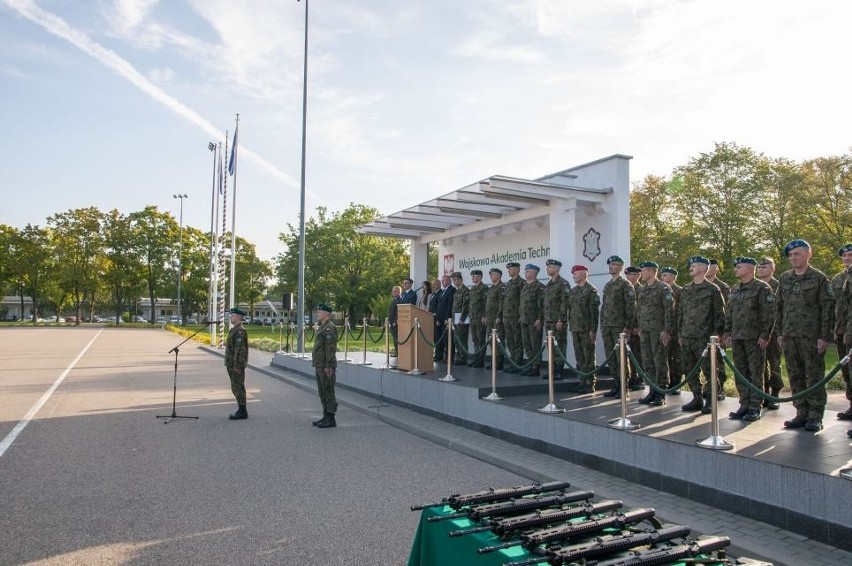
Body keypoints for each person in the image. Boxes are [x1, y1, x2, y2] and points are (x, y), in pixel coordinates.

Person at [775, 240, 834, 432]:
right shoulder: (785, 278)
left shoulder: (819, 278)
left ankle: (816, 415)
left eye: (797, 254)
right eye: (791, 255)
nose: (793, 258)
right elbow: (779, 307)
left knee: (814, 376)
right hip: (790, 336)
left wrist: (824, 337)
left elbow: (827, 309)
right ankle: (801, 412)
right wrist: (780, 333)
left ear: (809, 254)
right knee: (795, 375)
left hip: (811, 337)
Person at [723, 257, 775, 422]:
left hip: (754, 338)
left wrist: (765, 335)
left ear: (750, 268)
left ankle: (755, 406)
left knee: (755, 373)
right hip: (738, 337)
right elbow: (730, 313)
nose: (736, 270)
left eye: (739, 267)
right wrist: (727, 332)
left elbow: (769, 314)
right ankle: (744, 403)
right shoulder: (736, 289)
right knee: (740, 372)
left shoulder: (762, 288)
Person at [677, 256, 726, 413]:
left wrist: (717, 334)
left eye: (696, 265)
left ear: (705, 269)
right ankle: (697, 397)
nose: (691, 268)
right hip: (687, 336)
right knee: (690, 369)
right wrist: (680, 333)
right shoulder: (685, 290)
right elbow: (680, 313)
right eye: (691, 265)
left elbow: (719, 313)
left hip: (705, 338)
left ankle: (710, 399)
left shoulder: (713, 289)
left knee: (710, 370)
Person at [635, 261, 673, 405]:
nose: (642, 273)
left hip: (658, 331)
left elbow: (669, 311)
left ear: (651, 271)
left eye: (643, 270)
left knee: (660, 361)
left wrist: (666, 330)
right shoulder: (643, 290)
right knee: (647, 361)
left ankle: (661, 393)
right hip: (645, 331)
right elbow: (639, 310)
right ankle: (652, 390)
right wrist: (640, 327)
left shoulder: (663, 288)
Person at [601, 256, 636, 397]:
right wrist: (602, 323)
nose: (611, 266)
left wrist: (627, 327)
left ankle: (624, 387)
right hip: (608, 326)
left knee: (621, 357)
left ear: (621, 267)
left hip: (619, 327)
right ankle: (616, 384)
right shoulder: (608, 285)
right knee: (611, 358)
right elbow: (604, 307)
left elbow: (631, 307)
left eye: (615, 264)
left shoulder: (625, 285)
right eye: (610, 264)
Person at [567, 265, 600, 392]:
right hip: (575, 328)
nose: (574, 276)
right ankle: (582, 380)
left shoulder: (591, 291)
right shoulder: (573, 291)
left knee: (588, 357)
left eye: (575, 274)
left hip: (587, 329)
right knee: (579, 356)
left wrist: (593, 330)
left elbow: (594, 313)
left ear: (583, 274)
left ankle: (590, 383)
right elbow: (570, 309)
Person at [756, 256, 783, 409]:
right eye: (759, 267)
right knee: (760, 366)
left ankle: (775, 393)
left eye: (764, 267)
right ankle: (763, 393)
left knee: (774, 364)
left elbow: (778, 311)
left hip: (773, 332)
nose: (761, 269)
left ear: (773, 269)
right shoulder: (754, 285)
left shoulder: (778, 285)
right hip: (756, 331)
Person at [832, 243, 852, 421]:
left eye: (850, 255)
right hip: (841, 330)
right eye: (844, 256)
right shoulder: (838, 279)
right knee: (846, 370)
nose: (847, 259)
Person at [312, 303, 338, 428]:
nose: (318, 314)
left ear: (326, 314)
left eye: (320, 312)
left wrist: (329, 366)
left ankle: (331, 418)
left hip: (325, 365)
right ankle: (325, 415)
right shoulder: (323, 327)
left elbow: (330, 348)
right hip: (319, 364)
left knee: (328, 391)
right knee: (322, 391)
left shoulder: (329, 328)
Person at [543, 259, 571, 380]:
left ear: (556, 268)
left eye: (550, 267)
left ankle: (559, 370)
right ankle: (552, 369)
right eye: (548, 267)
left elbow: (565, 303)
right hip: (548, 320)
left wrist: (561, 319)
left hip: (558, 321)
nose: (548, 269)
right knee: (550, 346)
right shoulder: (548, 285)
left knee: (559, 345)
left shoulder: (563, 283)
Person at [708, 259, 731, 397]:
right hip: (703, 331)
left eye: (712, 266)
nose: (709, 268)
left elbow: (727, 311)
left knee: (718, 361)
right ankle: (710, 387)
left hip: (717, 331)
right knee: (707, 363)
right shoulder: (699, 285)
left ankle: (720, 387)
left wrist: (724, 332)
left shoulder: (722, 287)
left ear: (716, 269)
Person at [660, 266, 683, 395]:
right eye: (662, 275)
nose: (663, 277)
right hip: (664, 328)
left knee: (676, 357)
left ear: (674, 277)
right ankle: (667, 381)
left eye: (666, 275)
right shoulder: (661, 290)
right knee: (665, 356)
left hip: (676, 329)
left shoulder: (679, 291)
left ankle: (676, 382)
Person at [519, 264, 545, 377]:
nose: (525, 273)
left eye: (528, 271)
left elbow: (542, 305)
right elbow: (522, 304)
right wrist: (521, 316)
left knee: (535, 344)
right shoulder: (524, 287)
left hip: (534, 320)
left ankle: (536, 367)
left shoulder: (539, 287)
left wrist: (540, 318)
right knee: (527, 344)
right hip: (524, 320)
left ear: (534, 273)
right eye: (525, 271)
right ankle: (529, 364)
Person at [225, 307, 249, 420]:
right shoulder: (234, 329)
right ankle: (241, 409)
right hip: (232, 364)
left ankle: (242, 411)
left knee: (238, 387)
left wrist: (237, 366)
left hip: (236, 365)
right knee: (235, 387)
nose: (231, 317)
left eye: (233, 315)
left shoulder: (240, 330)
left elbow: (240, 350)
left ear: (238, 317)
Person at [501, 262, 525, 373]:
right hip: (506, 316)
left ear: (517, 270)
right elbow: (503, 300)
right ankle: (512, 361)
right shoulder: (508, 284)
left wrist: (521, 315)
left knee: (517, 340)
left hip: (516, 316)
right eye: (508, 269)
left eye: (511, 269)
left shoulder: (522, 283)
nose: (509, 271)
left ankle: (518, 363)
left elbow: (523, 301)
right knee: (510, 340)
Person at [624, 266, 643, 390]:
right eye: (627, 275)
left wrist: (638, 326)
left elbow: (641, 310)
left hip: (636, 328)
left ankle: (640, 380)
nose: (628, 277)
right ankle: (632, 377)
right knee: (628, 353)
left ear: (637, 275)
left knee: (638, 354)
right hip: (627, 326)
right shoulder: (626, 288)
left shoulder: (641, 289)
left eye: (631, 274)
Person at [484, 268, 505, 370]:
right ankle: (494, 360)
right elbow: (487, 304)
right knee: (491, 340)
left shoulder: (502, 287)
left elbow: (502, 303)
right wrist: (485, 315)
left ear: (499, 275)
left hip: (497, 319)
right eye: (490, 274)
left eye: (492, 274)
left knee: (499, 339)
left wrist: (499, 316)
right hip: (490, 318)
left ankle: (499, 361)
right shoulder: (491, 288)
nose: (491, 276)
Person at [468, 270, 488, 367]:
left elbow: (486, 304)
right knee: (475, 339)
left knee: (481, 339)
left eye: (474, 276)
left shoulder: (484, 288)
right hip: (472, 317)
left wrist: (484, 316)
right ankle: (476, 358)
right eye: (472, 276)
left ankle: (481, 359)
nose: (472, 278)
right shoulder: (472, 289)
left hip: (480, 318)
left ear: (480, 277)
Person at [451, 272, 470, 365]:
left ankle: (463, 358)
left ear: (461, 280)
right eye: (453, 280)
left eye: (456, 279)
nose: (454, 281)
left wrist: (462, 318)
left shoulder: (465, 291)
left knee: (462, 338)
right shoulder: (457, 291)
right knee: (456, 339)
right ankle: (459, 356)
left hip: (462, 317)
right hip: (455, 317)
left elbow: (466, 306)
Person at [434, 274, 455, 362]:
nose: (442, 282)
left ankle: (449, 357)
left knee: (448, 339)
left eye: (444, 280)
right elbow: (439, 306)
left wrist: (448, 318)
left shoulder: (452, 290)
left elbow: (450, 305)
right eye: (442, 280)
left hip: (447, 320)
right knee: (440, 338)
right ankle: (439, 355)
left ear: (449, 281)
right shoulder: (442, 291)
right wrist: (438, 319)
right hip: (440, 319)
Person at [388, 286, 401, 356]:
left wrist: (395, 321)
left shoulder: (399, 300)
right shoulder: (394, 300)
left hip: (395, 323)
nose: (393, 292)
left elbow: (398, 312)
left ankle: (398, 352)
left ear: (399, 292)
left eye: (395, 291)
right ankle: (396, 351)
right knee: (394, 338)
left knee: (396, 338)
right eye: (392, 291)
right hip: (391, 322)